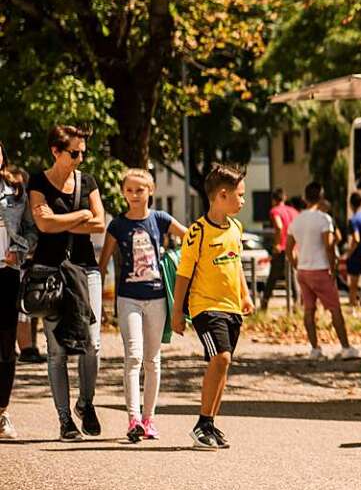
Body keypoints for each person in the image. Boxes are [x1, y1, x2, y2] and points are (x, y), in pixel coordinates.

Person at [28, 125, 106, 441]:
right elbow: (44, 223)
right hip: (50, 272)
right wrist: (81, 215)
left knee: (93, 343)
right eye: (74, 153)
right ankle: (64, 421)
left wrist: (65, 221)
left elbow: (100, 223)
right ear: (56, 151)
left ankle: (85, 404)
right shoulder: (38, 181)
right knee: (57, 350)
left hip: (86, 270)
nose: (79, 158)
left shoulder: (88, 181)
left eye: (83, 153)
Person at [98, 169, 187, 442]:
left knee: (153, 360)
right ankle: (133, 419)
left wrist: (175, 259)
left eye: (140, 190)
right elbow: (102, 264)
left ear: (151, 191)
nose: (135, 195)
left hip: (158, 298)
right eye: (129, 190)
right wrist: (98, 303)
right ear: (123, 192)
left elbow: (191, 238)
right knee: (134, 356)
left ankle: (149, 419)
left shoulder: (160, 219)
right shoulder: (117, 226)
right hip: (129, 298)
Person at [170, 164, 254, 450]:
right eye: (239, 195)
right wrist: (177, 311)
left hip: (232, 307)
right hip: (205, 306)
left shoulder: (235, 227)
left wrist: (245, 294)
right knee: (222, 357)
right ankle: (202, 424)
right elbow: (183, 273)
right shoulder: (197, 231)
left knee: (221, 365)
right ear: (221, 195)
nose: (243, 201)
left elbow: (237, 262)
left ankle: (210, 424)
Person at [287, 182, 360, 360]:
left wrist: (297, 264)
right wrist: (333, 268)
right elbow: (328, 246)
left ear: (305, 198)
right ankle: (346, 347)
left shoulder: (296, 220)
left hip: (303, 271)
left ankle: (315, 349)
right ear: (321, 197)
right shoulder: (323, 219)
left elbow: (289, 249)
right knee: (335, 309)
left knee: (309, 310)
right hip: (320, 269)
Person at [0, 142, 37, 439]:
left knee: (5, 347)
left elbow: (31, 230)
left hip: (6, 274)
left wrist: (18, 249)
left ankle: (1, 412)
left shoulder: (15, 190)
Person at [260, 188, 298, 311]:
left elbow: (279, 226)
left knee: (273, 277)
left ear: (273, 200)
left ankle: (264, 304)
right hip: (295, 249)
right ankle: (298, 305)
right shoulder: (294, 211)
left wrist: (277, 244)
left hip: (282, 249)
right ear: (284, 198)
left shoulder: (275, 211)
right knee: (293, 278)